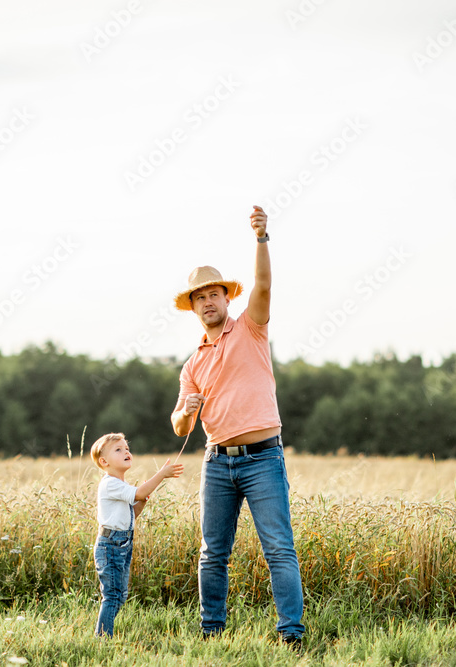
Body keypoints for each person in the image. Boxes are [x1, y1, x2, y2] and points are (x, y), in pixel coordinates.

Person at [170, 205, 305, 647]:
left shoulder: (251, 329)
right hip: (217, 463)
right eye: (200, 297)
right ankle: (212, 631)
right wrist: (186, 410)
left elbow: (264, 285)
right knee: (212, 554)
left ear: (227, 298)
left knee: (279, 550)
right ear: (193, 308)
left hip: (264, 457)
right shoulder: (192, 363)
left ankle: (291, 635)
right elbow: (177, 425)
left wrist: (262, 239)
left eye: (215, 294)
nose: (208, 302)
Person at [90, 432, 183, 637]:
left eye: (127, 448)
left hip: (121, 544)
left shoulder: (120, 485)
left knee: (120, 595)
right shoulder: (110, 484)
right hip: (111, 545)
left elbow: (134, 512)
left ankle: (104, 634)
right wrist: (161, 474)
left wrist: (144, 498)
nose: (126, 452)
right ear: (104, 461)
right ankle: (102, 638)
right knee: (112, 596)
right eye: (119, 449)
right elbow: (138, 493)